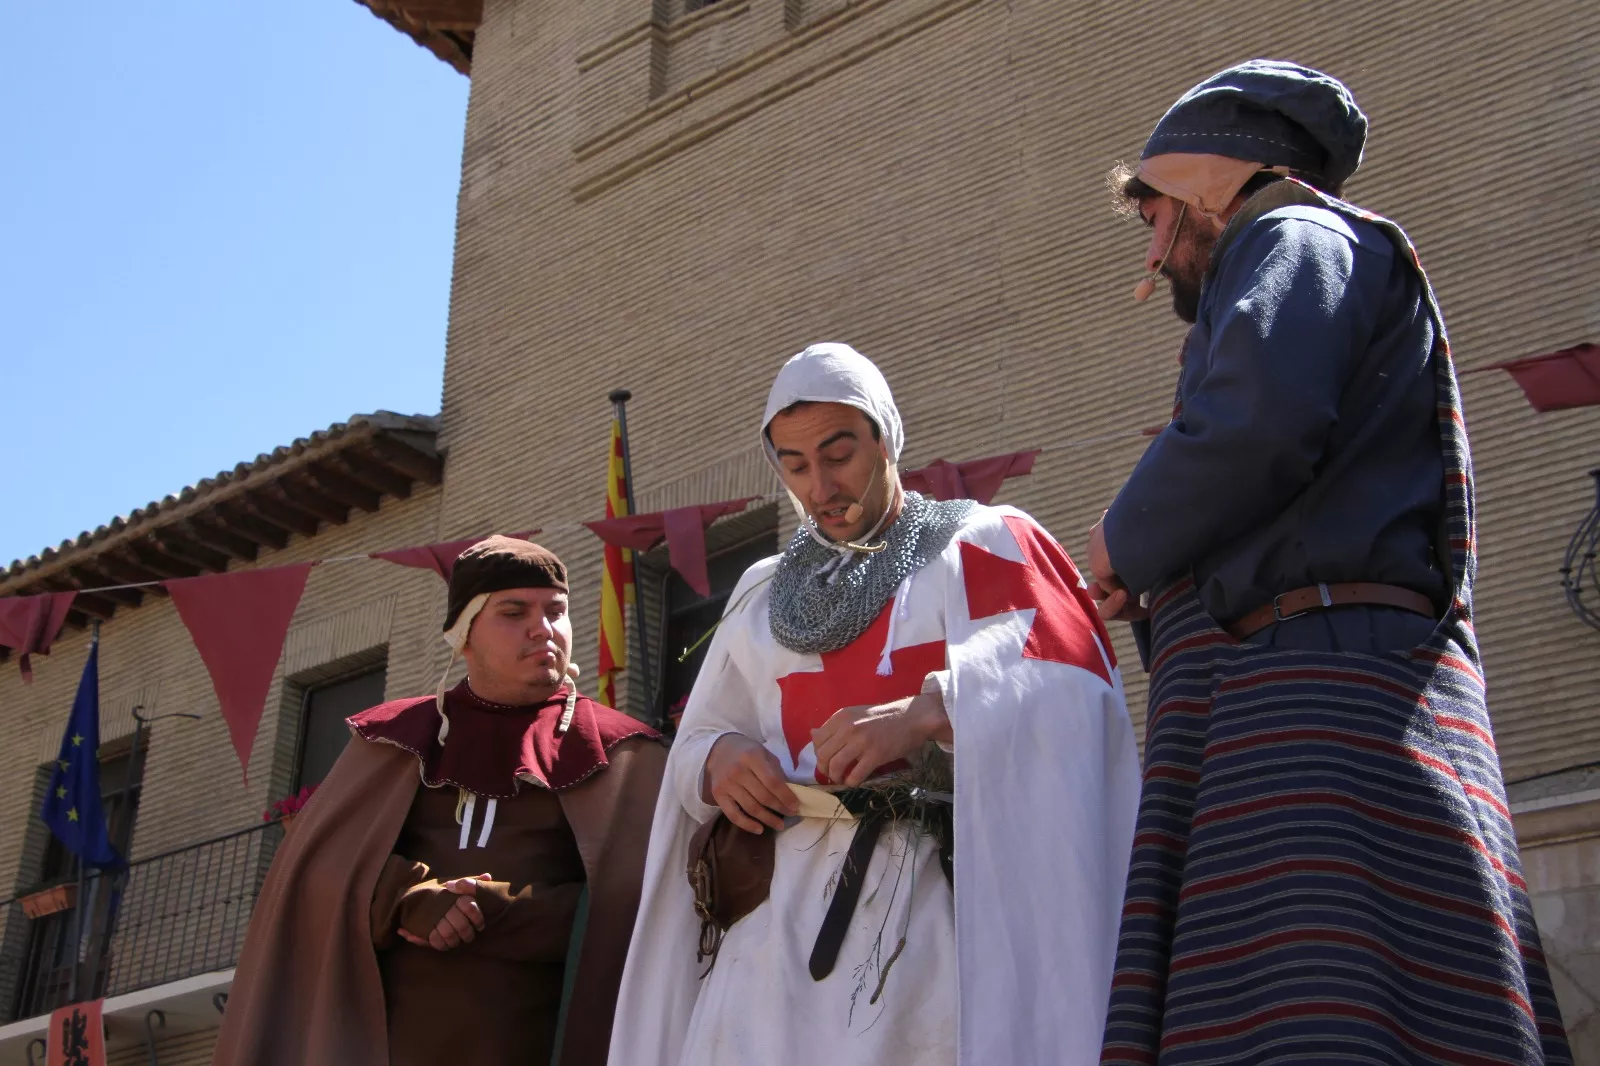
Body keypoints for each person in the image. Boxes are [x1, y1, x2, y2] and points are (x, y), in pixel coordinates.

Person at [1089, 60, 1571, 1063]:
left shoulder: (1290, 233)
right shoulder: (1307, 253)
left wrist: (1121, 535)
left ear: (1209, 184)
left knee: (1318, 1032)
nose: (1152, 245)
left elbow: (1257, 424)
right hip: (1311, 692)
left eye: (1153, 210)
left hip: (1319, 698)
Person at [608, 342, 1141, 1066]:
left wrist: (927, 712)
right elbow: (699, 741)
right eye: (795, 466)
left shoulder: (981, 542)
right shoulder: (763, 592)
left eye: (839, 454)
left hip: (934, 911)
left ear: (886, 437)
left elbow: (1073, 688)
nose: (821, 486)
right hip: (774, 929)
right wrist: (718, 759)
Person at [212, 536, 667, 1066]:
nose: (542, 629)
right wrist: (408, 898)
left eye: (556, 612)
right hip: (392, 1039)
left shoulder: (621, 751)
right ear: (464, 633)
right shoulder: (396, 739)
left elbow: (651, 901)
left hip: (549, 1039)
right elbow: (317, 870)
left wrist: (504, 910)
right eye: (514, 612)